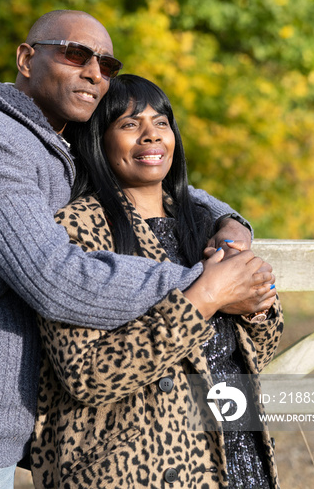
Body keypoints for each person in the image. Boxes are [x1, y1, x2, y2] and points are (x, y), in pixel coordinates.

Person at [0, 10, 254, 489]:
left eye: (107, 64)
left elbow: (156, 174)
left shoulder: (56, 142)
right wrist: (206, 283)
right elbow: (57, 278)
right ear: (27, 59)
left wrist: (228, 224)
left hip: (2, 406)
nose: (94, 72)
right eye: (76, 54)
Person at [30, 74, 283, 489]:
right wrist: (206, 298)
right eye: (129, 124)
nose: (151, 135)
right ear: (98, 139)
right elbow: (88, 376)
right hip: (138, 468)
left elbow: (260, 349)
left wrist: (260, 306)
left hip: (237, 456)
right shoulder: (75, 228)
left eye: (161, 122)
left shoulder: (205, 224)